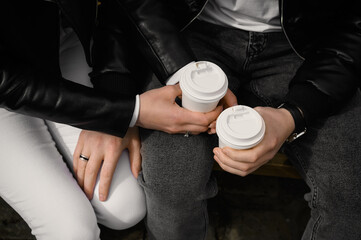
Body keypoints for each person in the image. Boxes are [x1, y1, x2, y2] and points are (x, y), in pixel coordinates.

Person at [113, 0, 361, 239]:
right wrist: (186, 75)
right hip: (187, 33)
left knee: (351, 194)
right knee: (171, 179)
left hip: (314, 46)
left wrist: (294, 115)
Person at [0, 0, 221, 239]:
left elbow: (117, 4)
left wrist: (115, 94)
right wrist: (128, 112)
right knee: (72, 231)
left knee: (125, 208)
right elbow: (9, 85)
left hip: (64, 37)